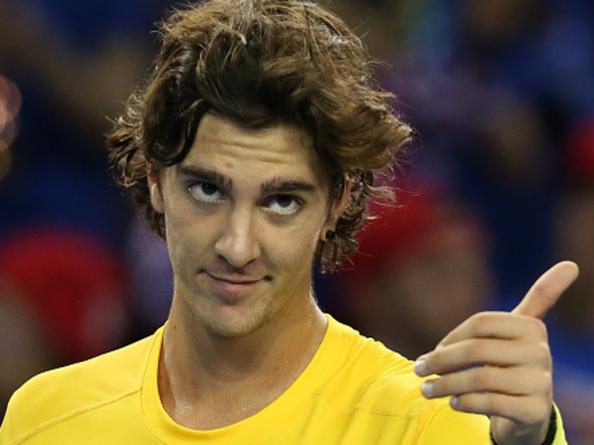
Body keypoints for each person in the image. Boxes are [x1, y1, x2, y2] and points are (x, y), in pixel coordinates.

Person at [0, 1, 578, 444]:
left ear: (336, 203)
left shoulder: (424, 422)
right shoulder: (45, 417)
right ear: (155, 181)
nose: (237, 244)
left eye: (281, 202)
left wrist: (531, 439)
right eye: (207, 189)